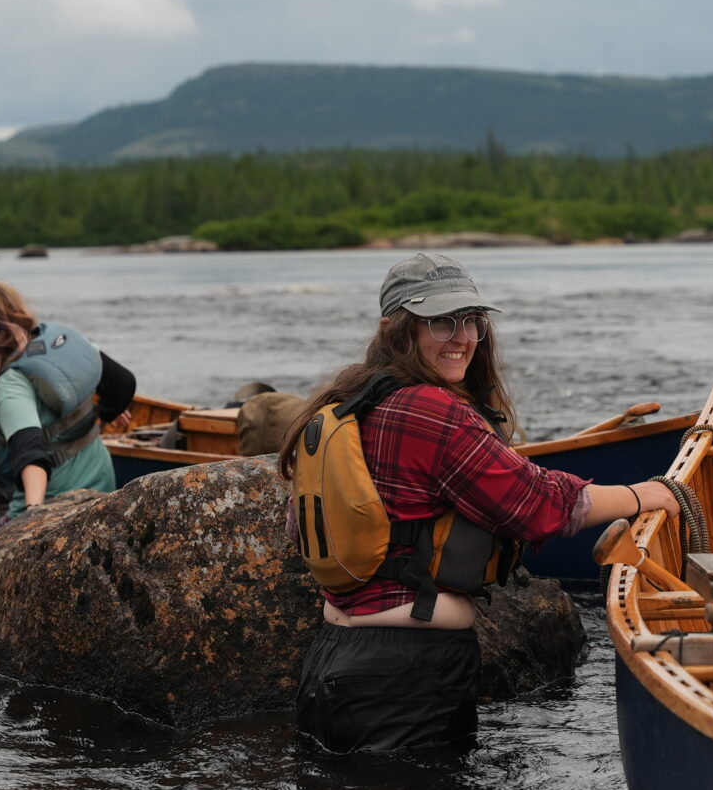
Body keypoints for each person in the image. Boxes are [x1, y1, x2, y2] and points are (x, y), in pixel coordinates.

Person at [279, 252, 684, 755]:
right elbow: (537, 503)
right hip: (403, 675)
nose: (464, 337)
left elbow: (301, 526)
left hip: (332, 662)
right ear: (394, 328)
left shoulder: (345, 401)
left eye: (472, 321)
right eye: (442, 321)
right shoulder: (430, 409)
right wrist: (646, 495)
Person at [0, 281, 138, 517]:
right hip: (102, 483)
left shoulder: (9, 386)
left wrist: (33, 515)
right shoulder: (58, 347)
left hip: (57, 501)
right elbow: (123, 383)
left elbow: (30, 454)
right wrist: (107, 411)